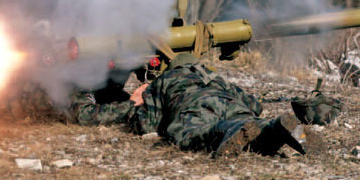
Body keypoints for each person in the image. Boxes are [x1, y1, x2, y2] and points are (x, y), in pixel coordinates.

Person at [68, 53, 340, 156]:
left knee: (195, 133)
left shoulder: (165, 81)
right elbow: (254, 104)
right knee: (251, 123)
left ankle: (235, 129)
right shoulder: (216, 78)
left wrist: (136, 101)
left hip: (195, 109)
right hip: (232, 102)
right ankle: (270, 129)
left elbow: (145, 123)